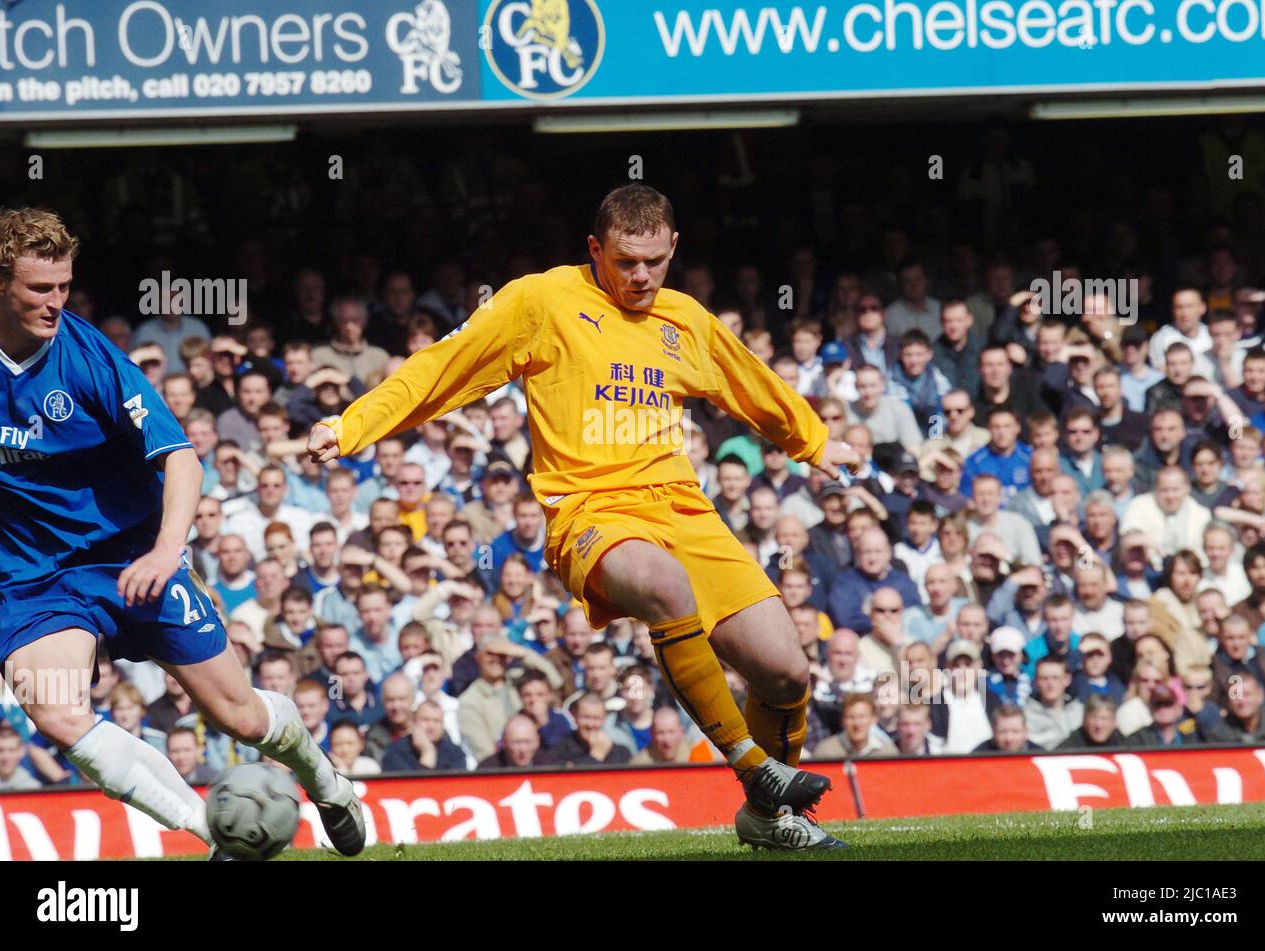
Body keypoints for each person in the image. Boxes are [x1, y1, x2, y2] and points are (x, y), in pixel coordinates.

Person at [308, 185, 861, 850]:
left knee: (787, 672)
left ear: (673, 249)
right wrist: (351, 425)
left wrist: (815, 440)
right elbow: (440, 368)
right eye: (626, 261)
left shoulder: (684, 319)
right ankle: (751, 764)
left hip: (683, 508)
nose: (641, 276)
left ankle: (766, 820)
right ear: (594, 248)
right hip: (589, 512)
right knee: (663, 586)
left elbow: (753, 382)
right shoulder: (540, 301)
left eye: (655, 261)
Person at [0, 209, 363, 860]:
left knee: (240, 716)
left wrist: (166, 550)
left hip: (135, 556)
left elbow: (181, 457)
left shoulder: (91, 359)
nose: (56, 302)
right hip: (34, 578)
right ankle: (213, 830)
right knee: (57, 711)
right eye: (38, 289)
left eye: (63, 286)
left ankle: (326, 781)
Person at [381, 700, 467, 772]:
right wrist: (428, 752)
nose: (431, 726)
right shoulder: (396, 752)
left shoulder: (455, 754)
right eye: (426, 720)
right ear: (414, 722)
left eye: (437, 721)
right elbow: (408, 789)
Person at [812, 693, 897, 758]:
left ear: (873, 719)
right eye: (851, 717)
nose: (857, 723)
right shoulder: (826, 752)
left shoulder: (887, 753)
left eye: (862, 717)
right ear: (842, 720)